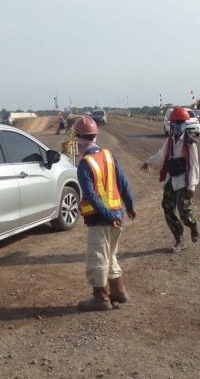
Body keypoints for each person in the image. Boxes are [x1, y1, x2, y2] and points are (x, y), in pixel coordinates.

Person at [74, 115, 137, 311]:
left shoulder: (86, 163)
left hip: (101, 219)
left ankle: (100, 299)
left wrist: (109, 216)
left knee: (98, 258)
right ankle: (119, 293)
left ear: (79, 138)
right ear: (95, 135)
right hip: (117, 216)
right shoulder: (109, 155)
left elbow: (91, 196)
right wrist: (130, 206)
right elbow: (123, 183)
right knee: (110, 256)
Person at [140, 106, 200, 252]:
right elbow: (161, 156)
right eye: (176, 122)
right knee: (167, 208)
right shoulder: (170, 141)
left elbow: (194, 165)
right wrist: (148, 161)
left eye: (181, 122)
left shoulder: (190, 144)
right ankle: (179, 239)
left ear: (185, 124)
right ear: (171, 124)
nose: (179, 125)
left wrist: (192, 186)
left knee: (184, 211)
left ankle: (193, 225)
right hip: (171, 179)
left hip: (183, 180)